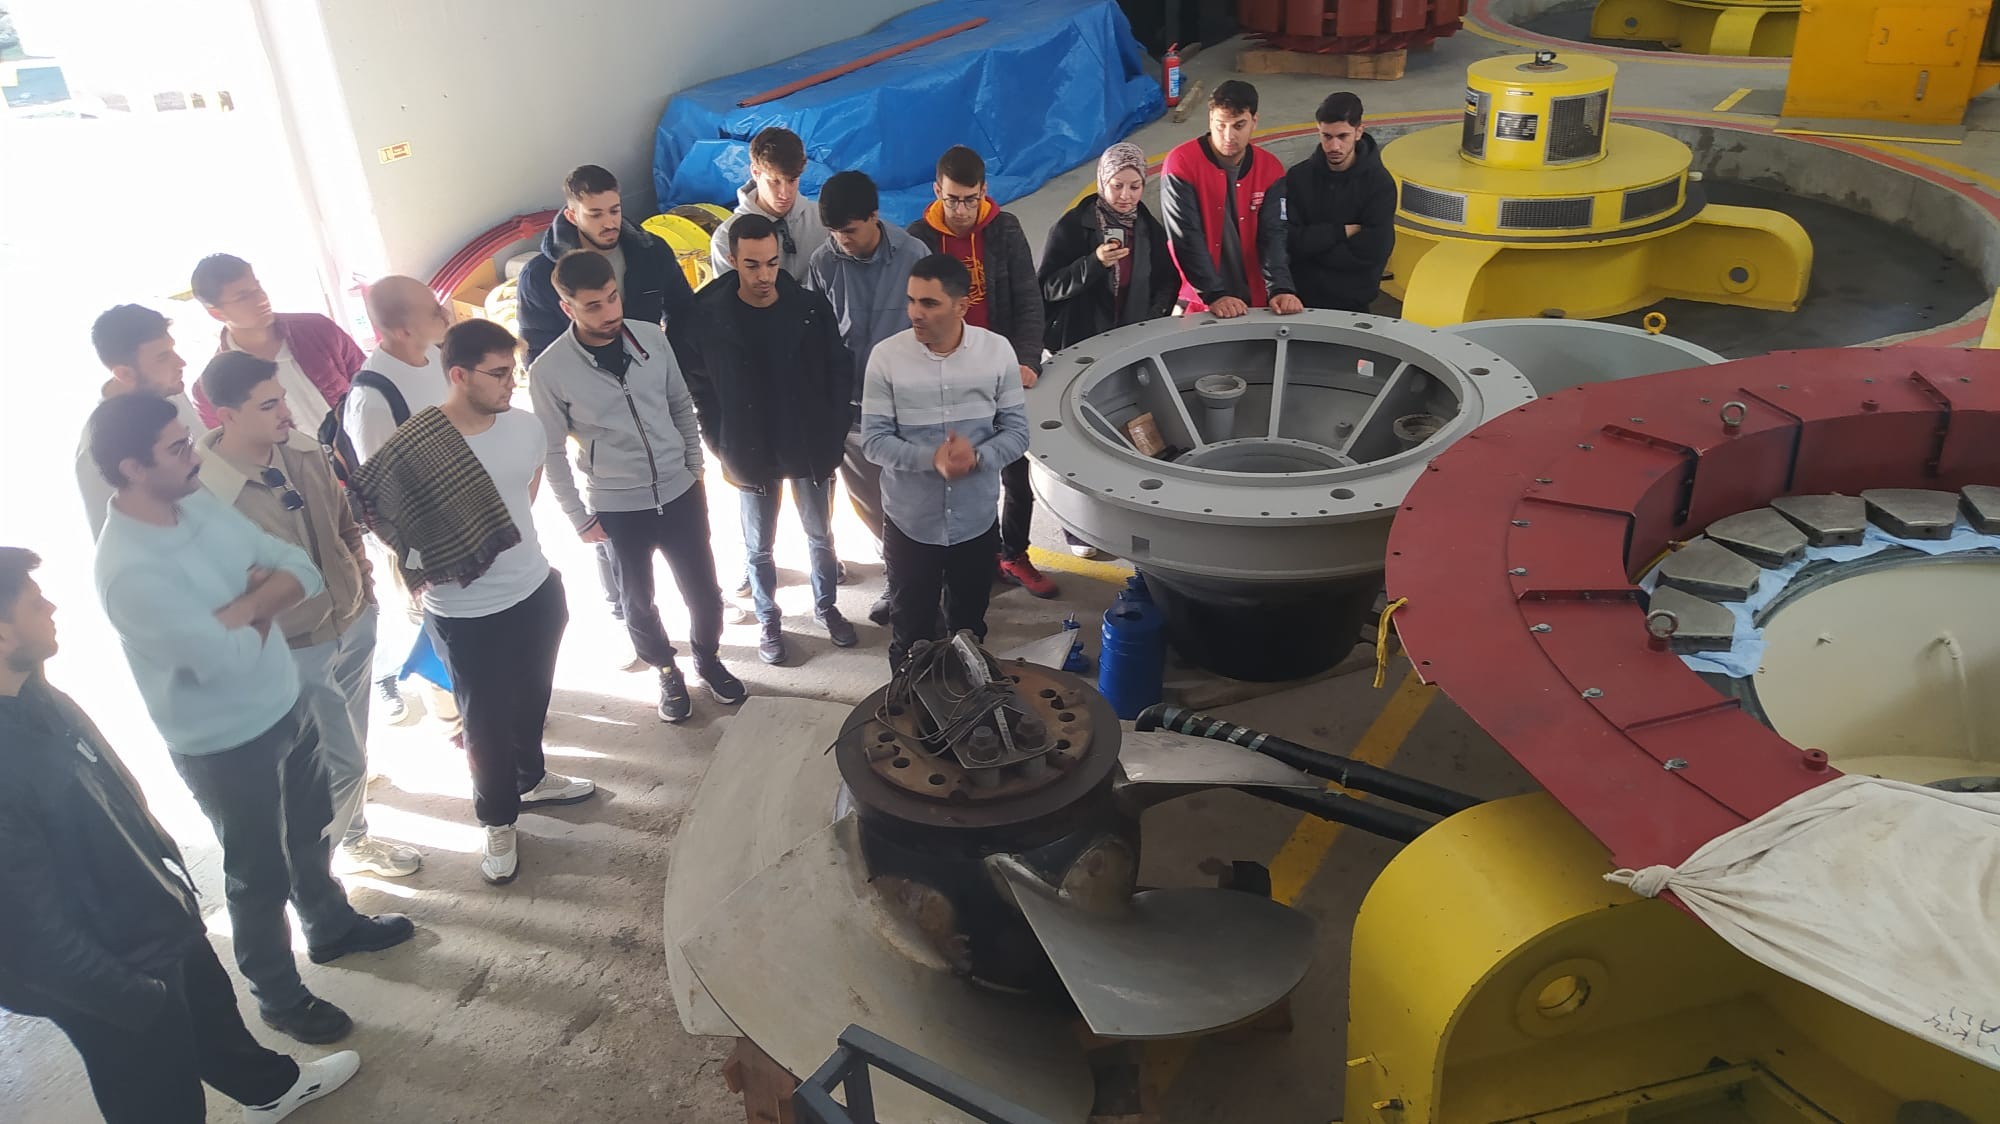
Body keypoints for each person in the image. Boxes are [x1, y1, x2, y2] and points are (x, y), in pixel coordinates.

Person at [89, 393, 415, 1044]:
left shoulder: (194, 501)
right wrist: (259, 603)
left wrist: (242, 610)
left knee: (310, 831)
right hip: (223, 746)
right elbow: (225, 662)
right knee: (257, 876)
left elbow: (299, 568)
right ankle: (279, 996)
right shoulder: (128, 571)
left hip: (284, 700)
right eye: (176, 447)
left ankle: (329, 927)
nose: (195, 453)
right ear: (132, 468)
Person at [0, 546, 362, 1124]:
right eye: (33, 601)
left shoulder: (32, 694)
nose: (52, 606)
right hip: (109, 968)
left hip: (151, 920)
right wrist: (131, 997)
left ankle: (270, 1089)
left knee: (213, 1016)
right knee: (153, 1091)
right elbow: (28, 936)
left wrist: (169, 893)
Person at [353, 319, 597, 885]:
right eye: (498, 373)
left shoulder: (525, 427)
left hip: (535, 591)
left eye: (512, 371)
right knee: (484, 724)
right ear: (459, 375)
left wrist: (489, 535)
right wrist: (450, 552)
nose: (511, 383)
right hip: (465, 613)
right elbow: (380, 513)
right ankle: (497, 819)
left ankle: (532, 779)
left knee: (532, 699)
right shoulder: (418, 445)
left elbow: (525, 493)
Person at [197, 352, 423, 879]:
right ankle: (321, 869)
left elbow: (344, 524)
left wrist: (364, 587)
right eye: (267, 405)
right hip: (292, 646)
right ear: (226, 416)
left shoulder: (302, 450)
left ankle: (350, 835)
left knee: (353, 745)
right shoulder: (205, 493)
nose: (285, 411)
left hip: (353, 620)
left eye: (281, 398)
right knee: (338, 762)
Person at [529, 249, 746, 716]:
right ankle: (666, 670)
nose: (609, 312)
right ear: (567, 307)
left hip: (680, 490)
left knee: (705, 593)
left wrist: (694, 469)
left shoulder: (651, 338)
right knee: (638, 602)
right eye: (593, 306)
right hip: (617, 506)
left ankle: (708, 659)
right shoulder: (549, 371)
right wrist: (579, 517)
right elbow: (551, 452)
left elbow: (680, 404)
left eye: (613, 298)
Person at [516, 164, 697, 642]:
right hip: (592, 409)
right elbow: (536, 347)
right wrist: (575, 393)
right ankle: (622, 610)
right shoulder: (541, 274)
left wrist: (668, 368)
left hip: (650, 391)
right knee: (612, 518)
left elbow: (683, 311)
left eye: (614, 210)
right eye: (595, 213)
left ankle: (695, 606)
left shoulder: (650, 251)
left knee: (680, 525)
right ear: (572, 215)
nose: (609, 221)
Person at [681, 214, 856, 665]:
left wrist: (834, 428)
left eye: (772, 263)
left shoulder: (809, 308)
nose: (764, 275)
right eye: (752, 265)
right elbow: (699, 387)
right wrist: (719, 440)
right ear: (731, 259)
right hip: (749, 448)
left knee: (821, 535)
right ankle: (768, 621)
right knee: (759, 547)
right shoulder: (709, 317)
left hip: (808, 443)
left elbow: (838, 369)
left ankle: (826, 607)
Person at [863, 255, 1030, 669]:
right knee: (910, 637)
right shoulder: (886, 358)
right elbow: (874, 442)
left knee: (969, 633)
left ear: (961, 306)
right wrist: (930, 459)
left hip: (975, 523)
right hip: (911, 526)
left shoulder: (996, 352)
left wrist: (978, 457)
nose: (914, 313)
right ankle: (909, 704)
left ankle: (966, 702)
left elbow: (1017, 433)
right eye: (911, 300)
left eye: (929, 303)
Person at [906, 146, 1057, 599]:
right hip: (947, 378)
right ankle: (972, 557)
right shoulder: (920, 239)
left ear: (984, 191)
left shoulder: (1005, 230)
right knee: (960, 476)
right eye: (952, 199)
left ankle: (1014, 553)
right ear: (937, 191)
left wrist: (1027, 359)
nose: (961, 210)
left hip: (1002, 372)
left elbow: (1029, 300)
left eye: (970, 199)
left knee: (1015, 472)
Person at [1038, 141, 1181, 561]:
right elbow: (1047, 288)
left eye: (1135, 186)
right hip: (1081, 347)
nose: (1126, 196)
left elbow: (1167, 281)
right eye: (1117, 185)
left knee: (1129, 426)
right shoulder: (1072, 228)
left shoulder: (1147, 227)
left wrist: (1149, 321)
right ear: (1102, 181)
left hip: (1126, 346)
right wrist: (1094, 263)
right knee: (1079, 436)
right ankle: (1077, 525)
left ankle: (1125, 513)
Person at [808, 170, 929, 626]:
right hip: (854, 414)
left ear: (874, 217)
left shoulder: (914, 255)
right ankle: (897, 582)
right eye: (834, 232)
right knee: (872, 506)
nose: (842, 240)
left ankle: (929, 583)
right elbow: (818, 335)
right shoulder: (823, 262)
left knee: (916, 501)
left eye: (849, 231)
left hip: (908, 411)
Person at [348, 275, 455, 724]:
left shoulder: (436, 358)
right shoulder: (373, 400)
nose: (445, 312)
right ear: (404, 330)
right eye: (433, 309)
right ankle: (453, 721)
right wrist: (419, 559)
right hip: (422, 542)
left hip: (464, 522)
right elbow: (381, 497)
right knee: (436, 633)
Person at [1161, 80, 1305, 320]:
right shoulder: (1181, 164)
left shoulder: (1270, 168)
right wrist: (1214, 294)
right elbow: (1185, 237)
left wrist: (1280, 288)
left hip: (1255, 300)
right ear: (1210, 120)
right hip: (1201, 301)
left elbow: (1273, 234)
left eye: (1239, 125)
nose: (1229, 136)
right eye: (1221, 125)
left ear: (1254, 121)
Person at [189, 253, 363, 432]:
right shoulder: (212, 389)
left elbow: (369, 381)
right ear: (217, 313)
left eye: (258, 288)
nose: (260, 299)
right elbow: (235, 445)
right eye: (243, 297)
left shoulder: (318, 330)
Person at [78, 303, 208, 537]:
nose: (181, 363)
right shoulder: (97, 452)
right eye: (163, 357)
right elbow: (117, 539)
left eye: (173, 350)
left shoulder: (167, 392)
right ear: (125, 374)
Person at [1284, 92, 1397, 313]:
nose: (1334, 146)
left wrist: (1313, 249)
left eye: (1342, 136)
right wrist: (1341, 232)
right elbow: (1289, 240)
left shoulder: (1380, 184)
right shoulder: (1298, 178)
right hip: (1300, 301)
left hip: (1352, 303)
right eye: (1326, 136)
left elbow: (1374, 249)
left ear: (1359, 132)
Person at [709, 126, 828, 281]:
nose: (785, 193)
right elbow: (729, 295)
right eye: (775, 182)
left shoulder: (825, 222)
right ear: (755, 172)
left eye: (792, 180)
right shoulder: (726, 239)